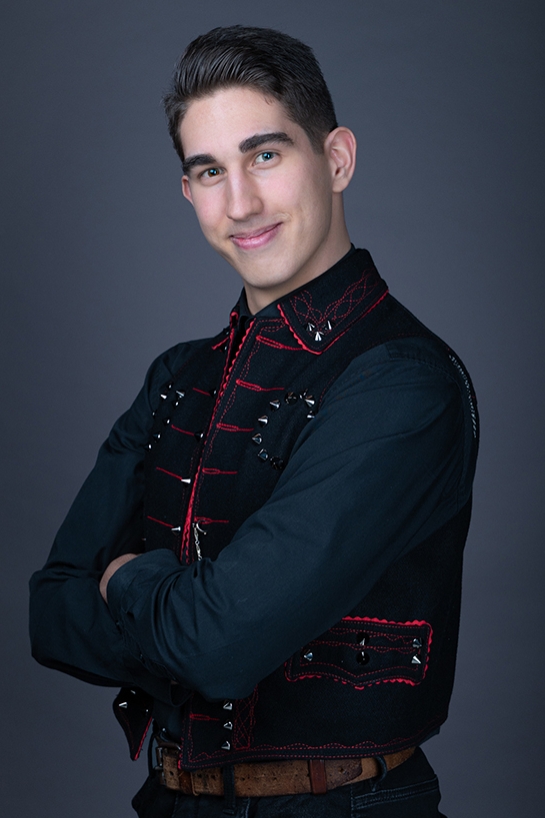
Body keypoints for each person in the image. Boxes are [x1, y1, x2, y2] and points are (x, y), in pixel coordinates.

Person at [29, 25, 479, 818]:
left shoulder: (402, 382)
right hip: (168, 801)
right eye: (210, 171)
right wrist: (189, 617)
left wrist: (125, 577)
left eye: (264, 155)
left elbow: (217, 645)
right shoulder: (177, 377)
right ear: (187, 191)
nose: (239, 204)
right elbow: (51, 613)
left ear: (335, 159)